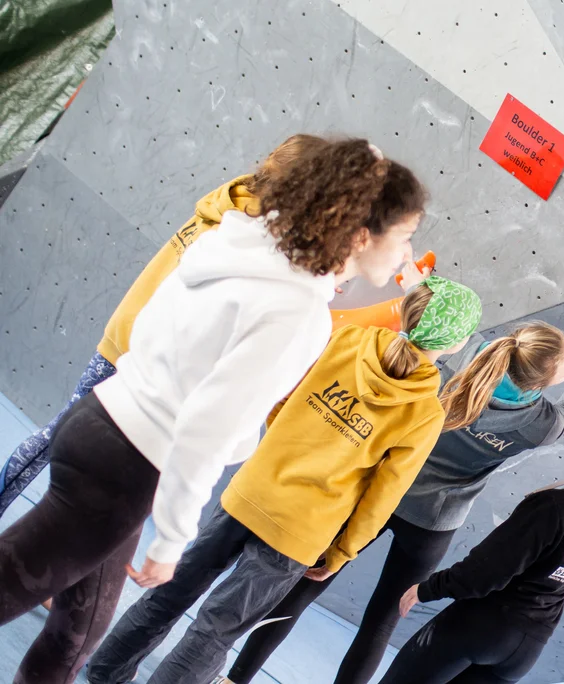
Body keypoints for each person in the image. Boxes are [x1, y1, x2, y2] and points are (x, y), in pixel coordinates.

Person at [0, 137, 427, 684]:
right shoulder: (294, 309)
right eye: (406, 236)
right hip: (127, 464)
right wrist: (173, 538)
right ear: (363, 234)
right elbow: (207, 427)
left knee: (76, 636)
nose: (408, 257)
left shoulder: (243, 246)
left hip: (103, 427)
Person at [86, 277, 483, 684]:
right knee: (216, 631)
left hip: (252, 490)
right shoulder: (424, 412)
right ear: (454, 342)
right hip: (300, 532)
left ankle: (103, 672)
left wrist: (280, 448)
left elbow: (281, 398)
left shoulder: (348, 340)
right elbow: (383, 495)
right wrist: (343, 551)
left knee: (171, 593)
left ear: (407, 312)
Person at [226, 325, 564, 684]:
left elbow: (469, 345)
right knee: (379, 622)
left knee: (305, 586)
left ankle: (235, 677)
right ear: (545, 381)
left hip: (380, 496)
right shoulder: (542, 425)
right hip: (433, 524)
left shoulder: (459, 374)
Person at [0, 133, 329, 518]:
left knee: (70, 445)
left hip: (139, 332)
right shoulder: (246, 228)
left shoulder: (233, 200)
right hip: (139, 342)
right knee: (58, 440)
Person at [378, 360, 564, 683]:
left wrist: (428, 589)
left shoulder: (554, 509)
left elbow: (484, 571)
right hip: (525, 648)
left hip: (480, 627)